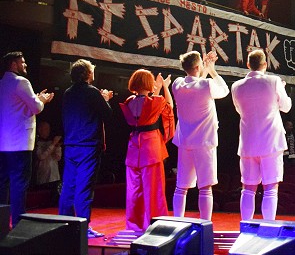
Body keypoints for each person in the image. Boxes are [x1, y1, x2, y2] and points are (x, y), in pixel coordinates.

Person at [231, 49, 292, 221]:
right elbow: (286, 106)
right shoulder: (273, 81)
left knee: (248, 189)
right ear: (265, 64)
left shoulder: (236, 86)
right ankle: (268, 226)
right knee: (271, 188)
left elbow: (239, 110)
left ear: (248, 65)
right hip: (271, 142)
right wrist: (281, 91)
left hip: (248, 142)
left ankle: (245, 225)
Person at [171, 50, 229, 221]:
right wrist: (212, 70)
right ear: (198, 67)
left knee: (181, 187)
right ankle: (205, 222)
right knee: (205, 187)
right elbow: (224, 90)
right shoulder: (206, 85)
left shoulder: (177, 84)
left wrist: (203, 68)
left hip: (185, 141)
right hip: (204, 142)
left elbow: (196, 84)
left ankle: (177, 220)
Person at [59, 59, 114, 239]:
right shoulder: (92, 92)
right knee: (84, 187)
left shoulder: (68, 92)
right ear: (88, 74)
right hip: (88, 145)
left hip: (71, 144)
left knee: (68, 185)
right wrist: (105, 99)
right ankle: (83, 227)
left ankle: (64, 225)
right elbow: (108, 114)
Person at [0, 51, 54, 227]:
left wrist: (35, 99)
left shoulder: (2, 83)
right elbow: (36, 107)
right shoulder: (21, 82)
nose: (25, 65)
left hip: (3, 143)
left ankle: (2, 223)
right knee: (19, 184)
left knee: (3, 184)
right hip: (20, 143)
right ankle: (18, 223)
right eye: (22, 62)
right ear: (13, 65)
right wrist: (42, 100)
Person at [119, 69, 174, 232]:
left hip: (134, 146)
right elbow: (168, 107)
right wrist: (164, 87)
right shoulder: (155, 101)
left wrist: (157, 89)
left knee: (134, 189)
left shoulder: (128, 101)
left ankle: (134, 225)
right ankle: (156, 223)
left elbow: (149, 103)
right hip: (150, 148)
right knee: (154, 189)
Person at [34, 121, 61, 188]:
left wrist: (57, 148)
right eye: (46, 129)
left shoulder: (51, 142)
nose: (48, 131)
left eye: (49, 129)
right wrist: (53, 144)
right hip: (43, 177)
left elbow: (58, 158)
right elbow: (41, 156)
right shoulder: (37, 144)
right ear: (40, 130)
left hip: (54, 176)